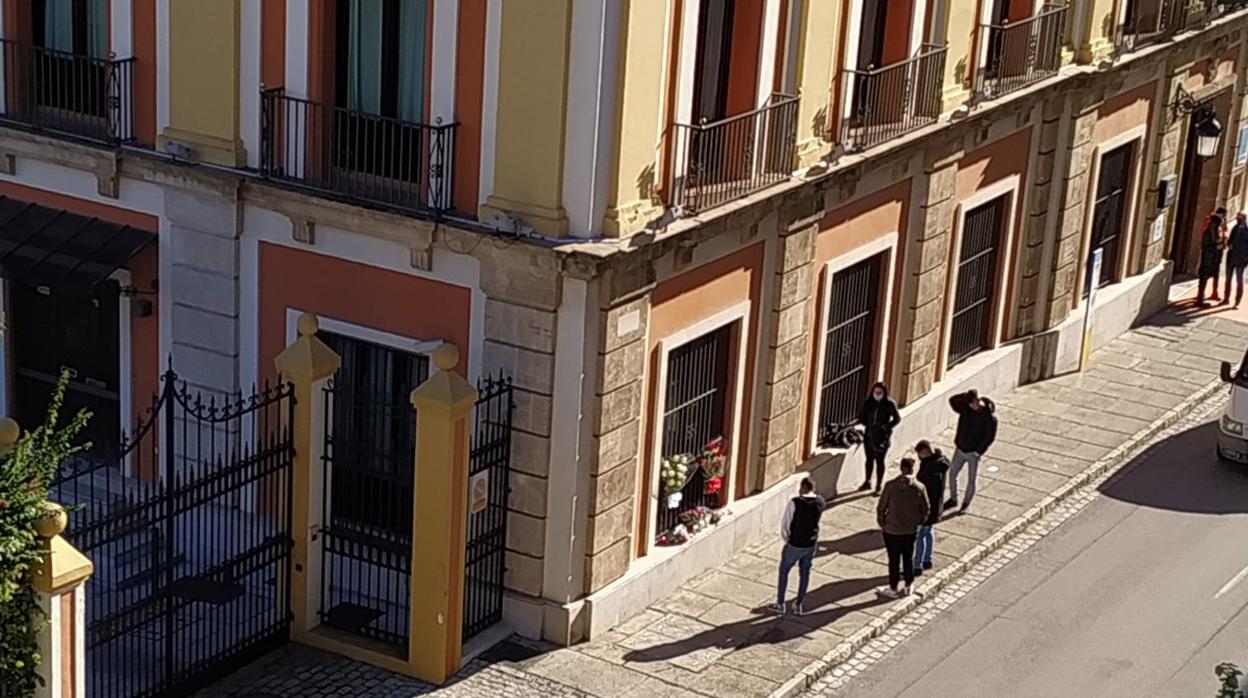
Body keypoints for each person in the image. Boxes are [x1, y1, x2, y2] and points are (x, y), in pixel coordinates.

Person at [876, 458, 929, 599]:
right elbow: (925, 509)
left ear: (901, 468)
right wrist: (918, 523)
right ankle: (908, 584)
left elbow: (881, 507)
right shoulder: (919, 487)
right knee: (908, 557)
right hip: (910, 530)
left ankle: (893, 587)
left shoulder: (890, 486)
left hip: (892, 529)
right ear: (912, 469)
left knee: (893, 559)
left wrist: (882, 522)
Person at [773, 477, 826, 615]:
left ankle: (780, 603)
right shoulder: (820, 502)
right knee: (805, 573)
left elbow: (786, 523)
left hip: (795, 543)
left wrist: (787, 539)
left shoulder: (795, 503)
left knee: (784, 570)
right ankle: (799, 603)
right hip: (810, 543)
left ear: (803, 488)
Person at [944, 389, 997, 513]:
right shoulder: (966, 408)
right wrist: (965, 396)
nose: (970, 406)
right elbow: (952, 401)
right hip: (961, 448)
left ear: (977, 402)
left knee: (971, 479)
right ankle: (953, 498)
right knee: (953, 473)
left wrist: (979, 451)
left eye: (972, 404)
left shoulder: (988, 417)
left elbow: (989, 437)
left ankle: (966, 502)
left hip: (973, 452)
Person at [858, 382, 902, 495]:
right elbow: (862, 415)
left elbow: (897, 419)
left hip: (882, 437)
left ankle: (879, 485)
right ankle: (867, 481)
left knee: (879, 461)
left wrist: (886, 427)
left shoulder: (889, 404)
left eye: (879, 393)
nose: (877, 394)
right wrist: (867, 423)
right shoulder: (869, 402)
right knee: (869, 459)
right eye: (875, 392)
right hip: (869, 435)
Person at [913, 440, 949, 575]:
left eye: (919, 454)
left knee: (920, 535)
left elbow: (926, 491)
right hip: (936, 506)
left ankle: (917, 565)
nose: (918, 457)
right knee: (929, 532)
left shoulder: (930, 469)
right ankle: (927, 559)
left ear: (925, 452)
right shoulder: (940, 462)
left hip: (927, 508)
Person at [1198, 207, 1229, 307]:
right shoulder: (1213, 225)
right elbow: (1215, 239)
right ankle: (1200, 299)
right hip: (1210, 255)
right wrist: (1222, 242)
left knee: (1208, 274)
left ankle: (1204, 296)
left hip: (1211, 254)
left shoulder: (1214, 224)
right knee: (1205, 275)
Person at [1225, 212, 1248, 308]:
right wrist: (1229, 245)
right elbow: (1230, 240)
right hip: (1231, 257)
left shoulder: (1247, 231)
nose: (1237, 219)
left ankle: (1237, 301)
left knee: (1239, 280)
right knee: (1228, 279)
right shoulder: (1235, 228)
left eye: (1239, 218)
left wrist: (1246, 259)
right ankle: (1226, 298)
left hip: (1241, 259)